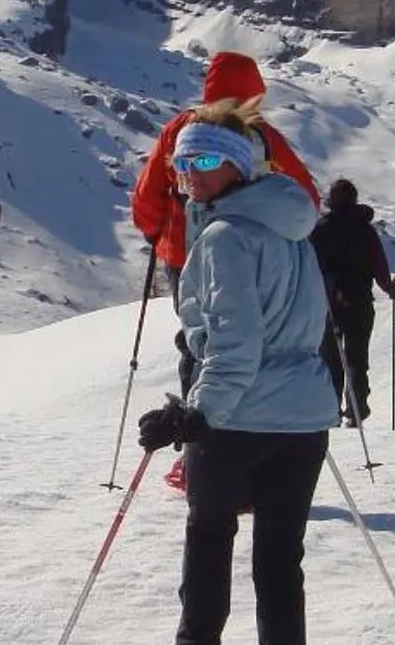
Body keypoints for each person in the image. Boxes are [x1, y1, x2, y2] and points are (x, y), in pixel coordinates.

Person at [134, 100, 333, 645]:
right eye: (180, 161)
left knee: (210, 538)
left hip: (238, 417)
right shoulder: (294, 225)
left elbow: (235, 346)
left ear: (239, 166)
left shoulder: (222, 238)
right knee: (280, 568)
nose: (188, 175)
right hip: (302, 422)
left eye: (205, 161)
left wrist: (193, 417)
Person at [129, 51, 320, 486]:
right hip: (257, 256)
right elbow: (305, 196)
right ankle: (250, 444)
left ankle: (197, 449)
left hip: (185, 255)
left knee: (201, 343)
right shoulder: (262, 136)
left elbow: (146, 196)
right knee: (254, 342)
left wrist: (158, 236)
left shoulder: (181, 128)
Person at [308, 178, 395, 426]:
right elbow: (378, 264)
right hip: (360, 302)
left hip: (329, 304)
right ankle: (357, 409)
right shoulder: (365, 229)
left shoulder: (321, 229)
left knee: (330, 357)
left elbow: (310, 267)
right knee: (357, 357)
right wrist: (390, 288)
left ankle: (331, 410)